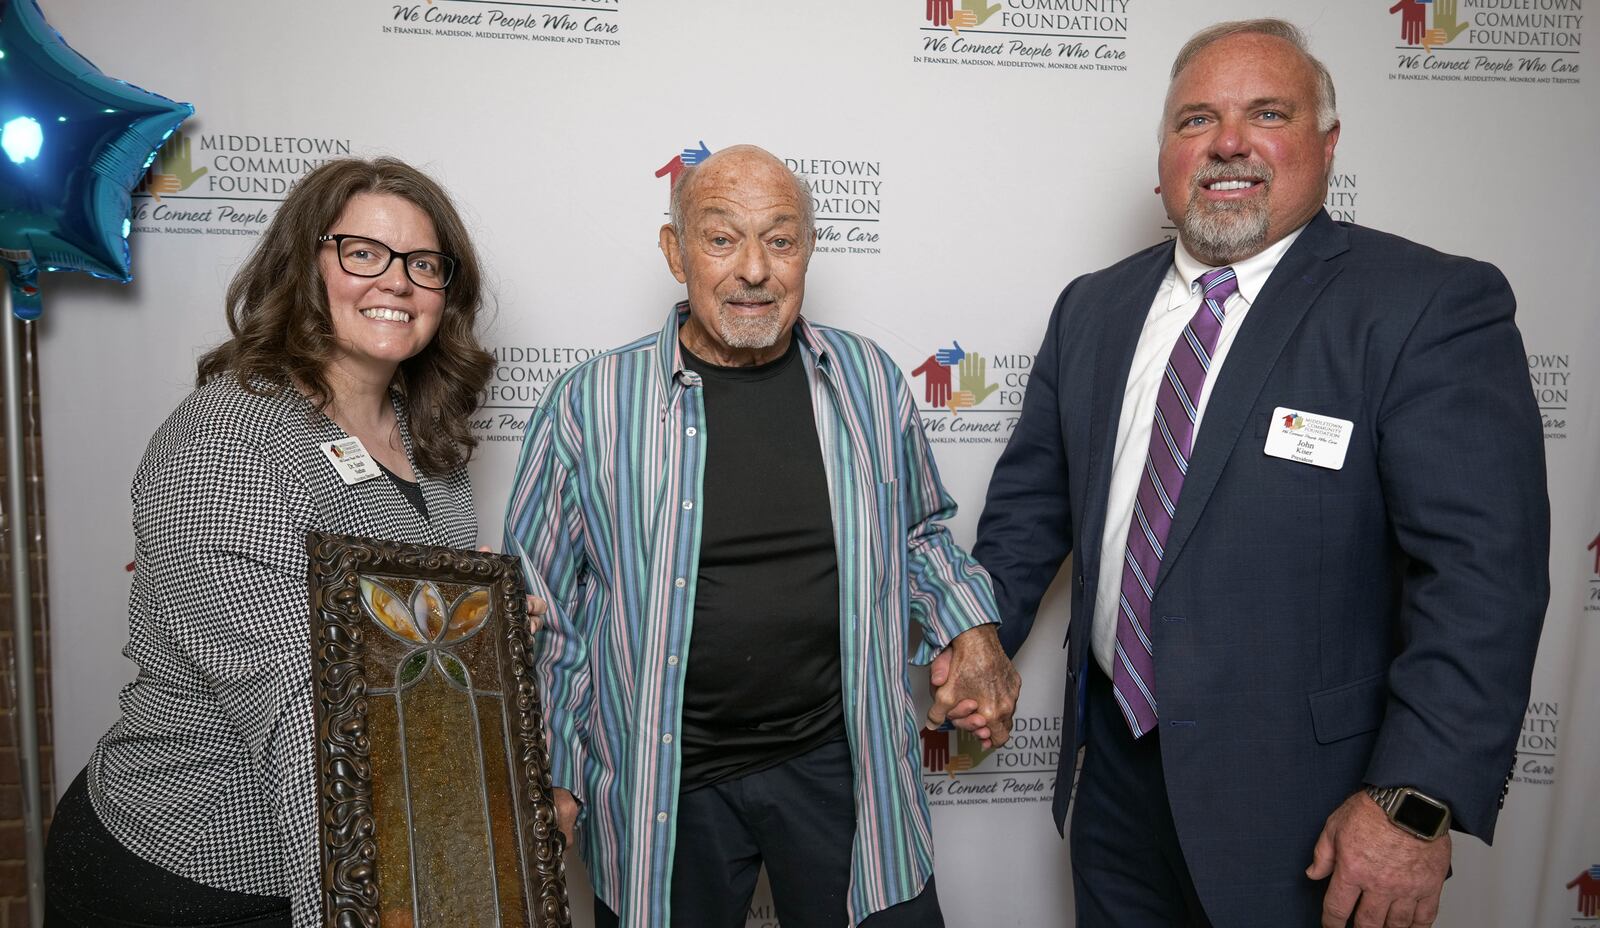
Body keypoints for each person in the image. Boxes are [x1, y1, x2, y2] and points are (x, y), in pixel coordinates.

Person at [972, 19, 1548, 928]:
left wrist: (1413, 802)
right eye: (1196, 118)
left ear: (1326, 144)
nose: (1228, 142)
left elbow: (1484, 581)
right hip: (1117, 785)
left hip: (1315, 809)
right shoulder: (1094, 307)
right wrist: (977, 635)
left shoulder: (1425, 305)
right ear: (1165, 153)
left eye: (1266, 113)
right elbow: (1030, 511)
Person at [504, 144, 1020, 928]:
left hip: (840, 767)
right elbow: (537, 609)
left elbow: (920, 532)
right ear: (675, 252)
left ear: (807, 251)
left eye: (780, 240)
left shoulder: (870, 381)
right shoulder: (590, 404)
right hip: (661, 784)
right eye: (721, 239)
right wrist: (552, 769)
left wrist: (974, 628)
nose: (753, 269)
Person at [45, 158, 496, 927]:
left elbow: (406, 654)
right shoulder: (226, 448)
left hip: (364, 845)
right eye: (362, 253)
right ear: (304, 264)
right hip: (195, 871)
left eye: (424, 264)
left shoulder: (432, 447)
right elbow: (304, 710)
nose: (397, 282)